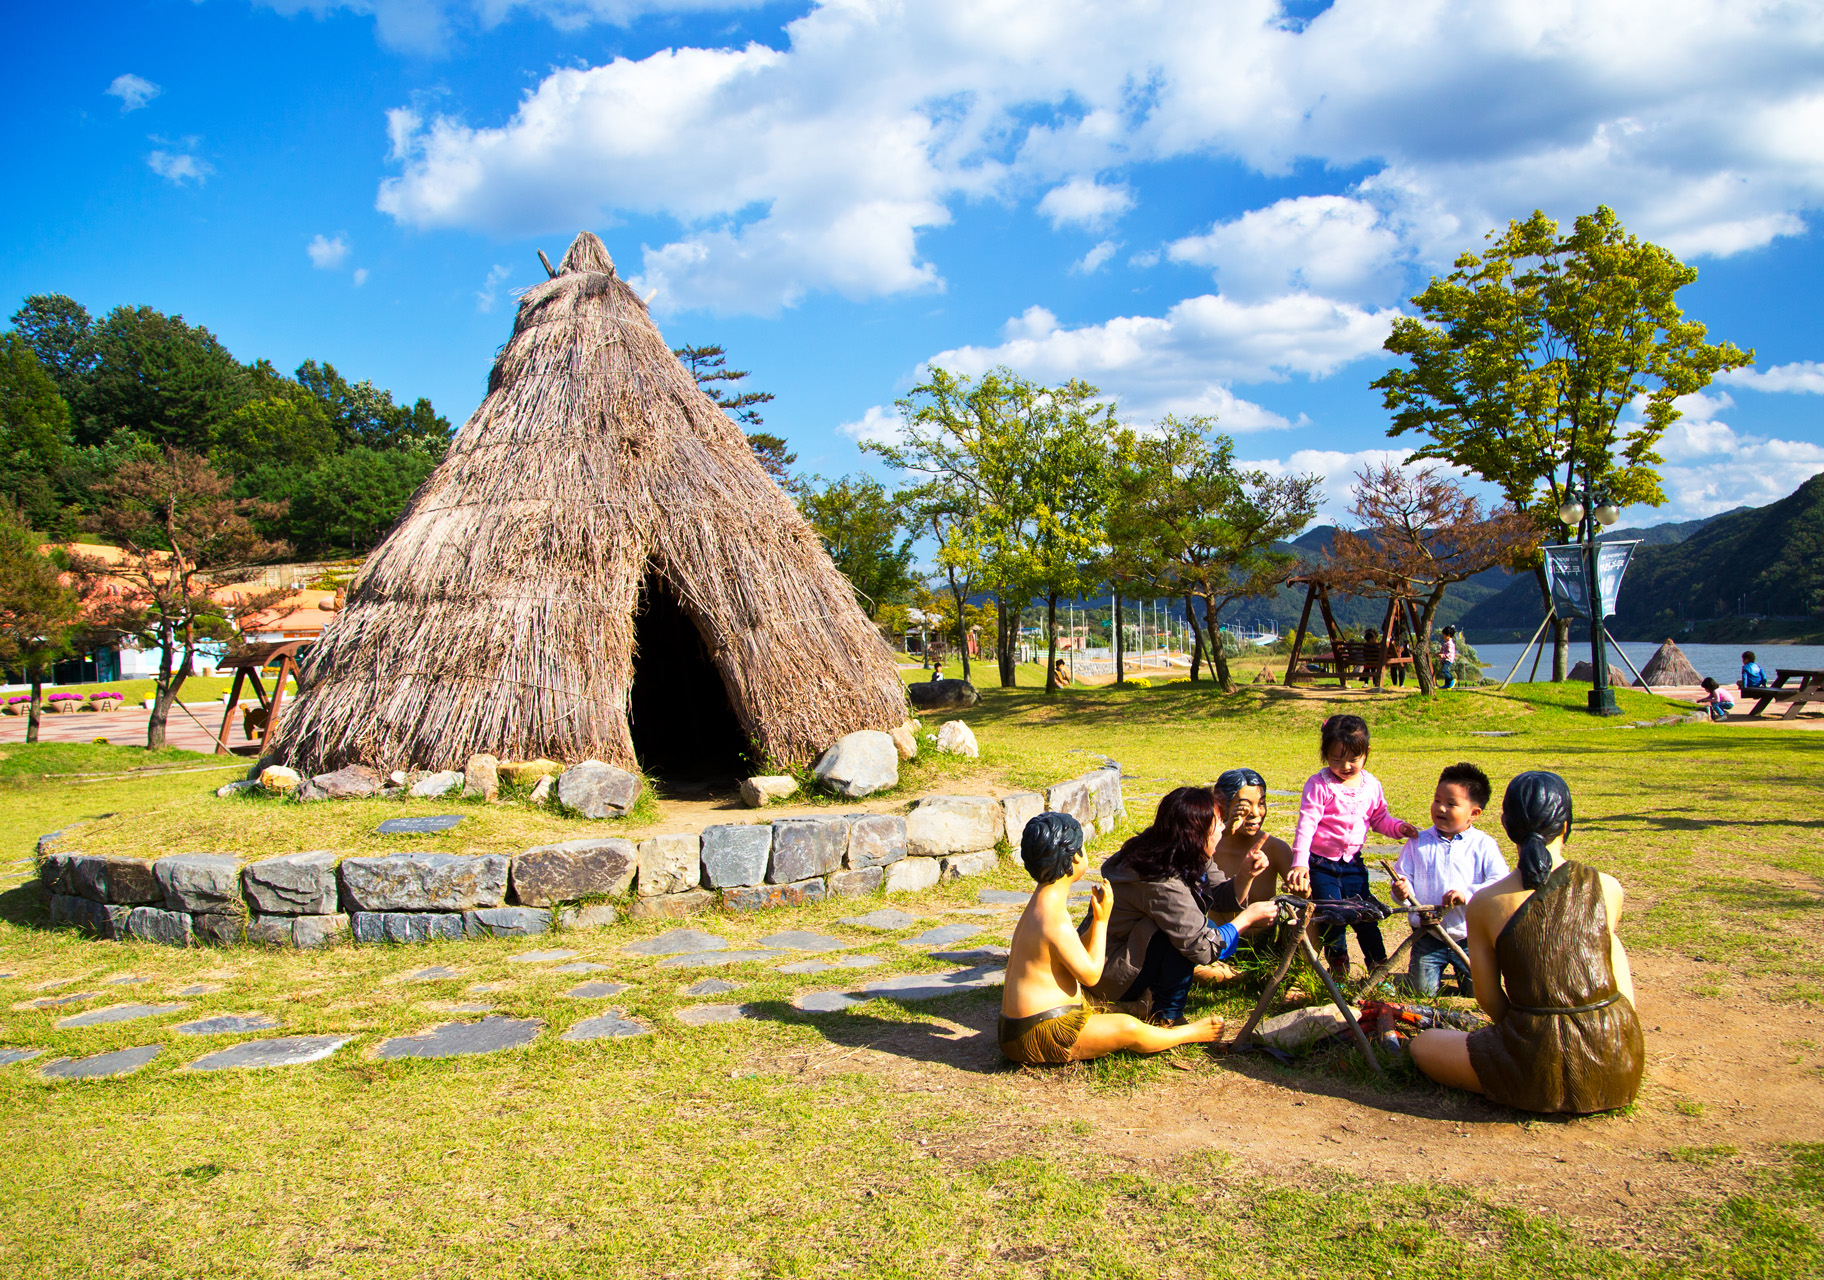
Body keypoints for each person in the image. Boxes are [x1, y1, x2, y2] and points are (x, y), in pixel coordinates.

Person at [1409, 772, 1644, 1114]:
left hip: (1532, 1069)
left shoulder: (1485, 903)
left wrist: (1527, 1033)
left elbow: (1489, 998)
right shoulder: (1608, 886)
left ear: (1507, 826)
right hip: (1619, 1066)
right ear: (1566, 826)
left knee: (1423, 1045)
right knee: (1612, 943)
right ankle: (1621, 1036)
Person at [999, 811, 1224, 1064]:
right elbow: (1091, 975)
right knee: (1128, 1029)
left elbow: (1072, 954)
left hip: (1018, 1026)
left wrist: (1097, 920)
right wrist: (1102, 920)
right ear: (1075, 857)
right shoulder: (1053, 919)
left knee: (1105, 1013)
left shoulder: (1038, 906)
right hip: (1042, 1030)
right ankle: (1189, 1033)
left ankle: (1134, 1008)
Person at [1084, 787, 1279, 1025]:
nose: (1224, 828)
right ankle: (1167, 1015)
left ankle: (1154, 1000)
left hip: (1118, 956)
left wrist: (1245, 876)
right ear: (1195, 834)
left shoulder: (1176, 850)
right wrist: (1247, 919)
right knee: (1183, 931)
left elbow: (1219, 894)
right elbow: (1202, 947)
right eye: (1218, 823)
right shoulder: (1159, 879)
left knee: (1196, 925)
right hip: (1107, 972)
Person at [1292, 714, 1420, 978]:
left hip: (1353, 865)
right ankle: (1338, 969)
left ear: (1367, 752)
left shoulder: (1371, 786)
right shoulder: (1320, 785)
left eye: (1353, 758)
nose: (1345, 766)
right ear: (1325, 754)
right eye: (1336, 759)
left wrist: (1398, 828)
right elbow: (1307, 824)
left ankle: (1378, 970)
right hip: (1321, 866)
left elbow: (1379, 818)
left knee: (1366, 917)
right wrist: (1300, 862)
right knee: (1332, 917)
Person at [1387, 763, 1508, 996]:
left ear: (1474, 813)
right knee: (1421, 992)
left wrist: (1467, 895)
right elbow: (1403, 878)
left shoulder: (1483, 845)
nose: (1441, 808)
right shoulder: (1418, 842)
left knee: (1478, 992)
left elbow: (1499, 881)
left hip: (1471, 938)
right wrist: (1401, 890)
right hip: (1428, 935)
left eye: (1451, 804)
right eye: (1437, 800)